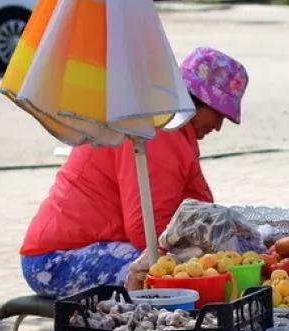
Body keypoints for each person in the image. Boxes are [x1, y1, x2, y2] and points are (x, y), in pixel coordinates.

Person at [20, 47, 248, 299]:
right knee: (177, 277)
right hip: (56, 260)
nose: (217, 126)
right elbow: (146, 230)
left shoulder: (175, 131)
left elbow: (195, 210)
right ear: (196, 101)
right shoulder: (156, 132)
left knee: (198, 269)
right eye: (218, 115)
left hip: (91, 247)